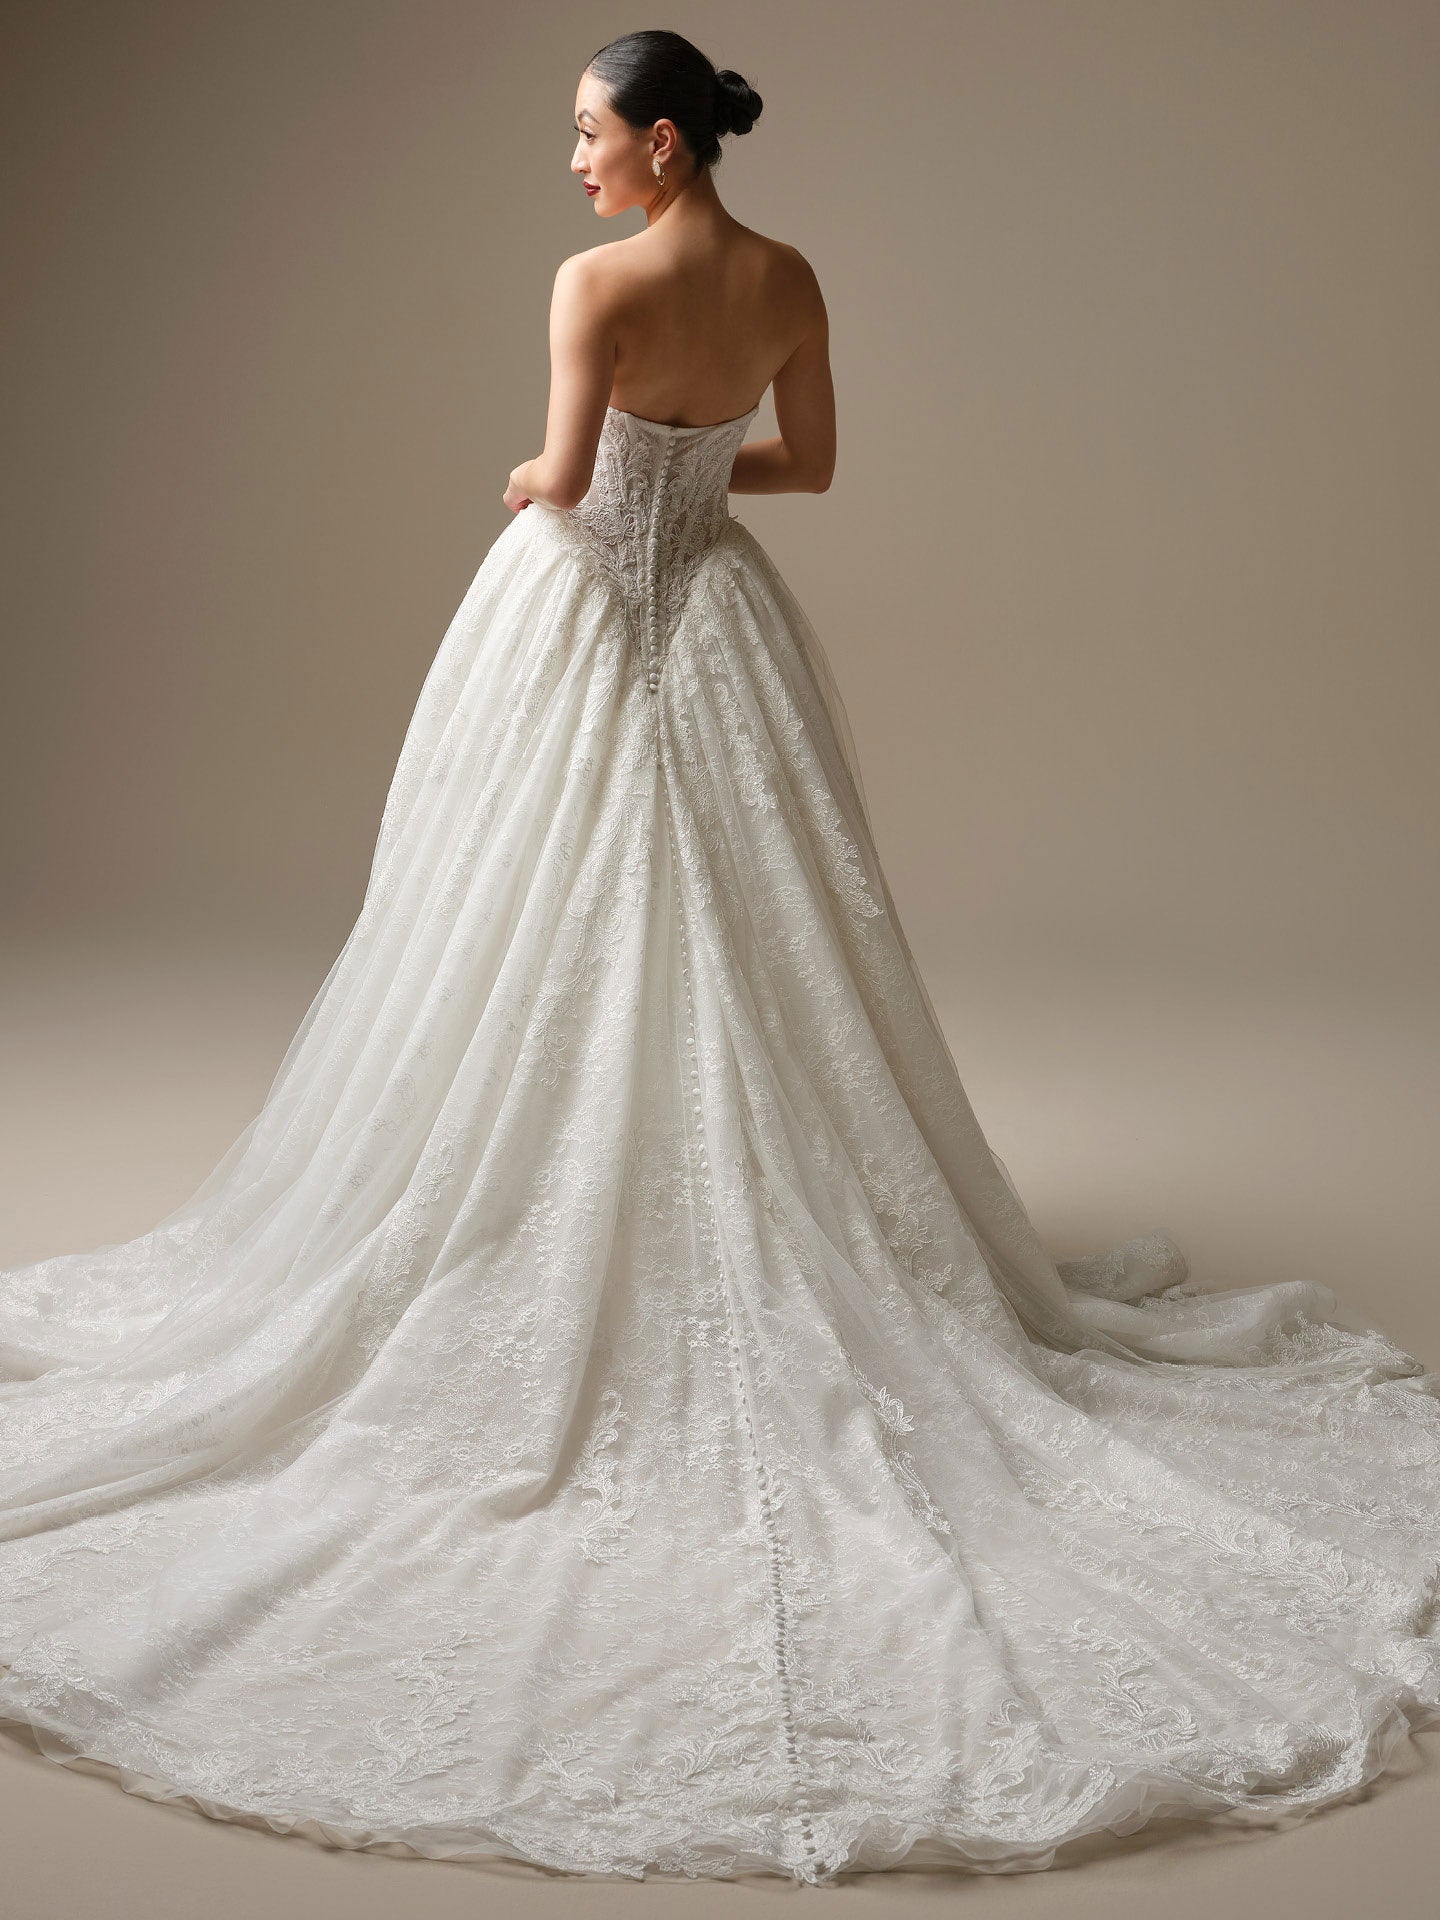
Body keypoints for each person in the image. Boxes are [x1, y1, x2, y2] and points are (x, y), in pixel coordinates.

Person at [2, 27, 1438, 1888]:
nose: (575, 162)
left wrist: (541, 481)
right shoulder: (789, 278)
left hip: (583, 629)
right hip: (727, 628)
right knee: (765, 955)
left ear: (663, 144)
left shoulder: (594, 284)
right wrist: (701, 484)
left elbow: (568, 477)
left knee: (514, 943)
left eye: (591, 134)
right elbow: (810, 463)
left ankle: (556, 1219)